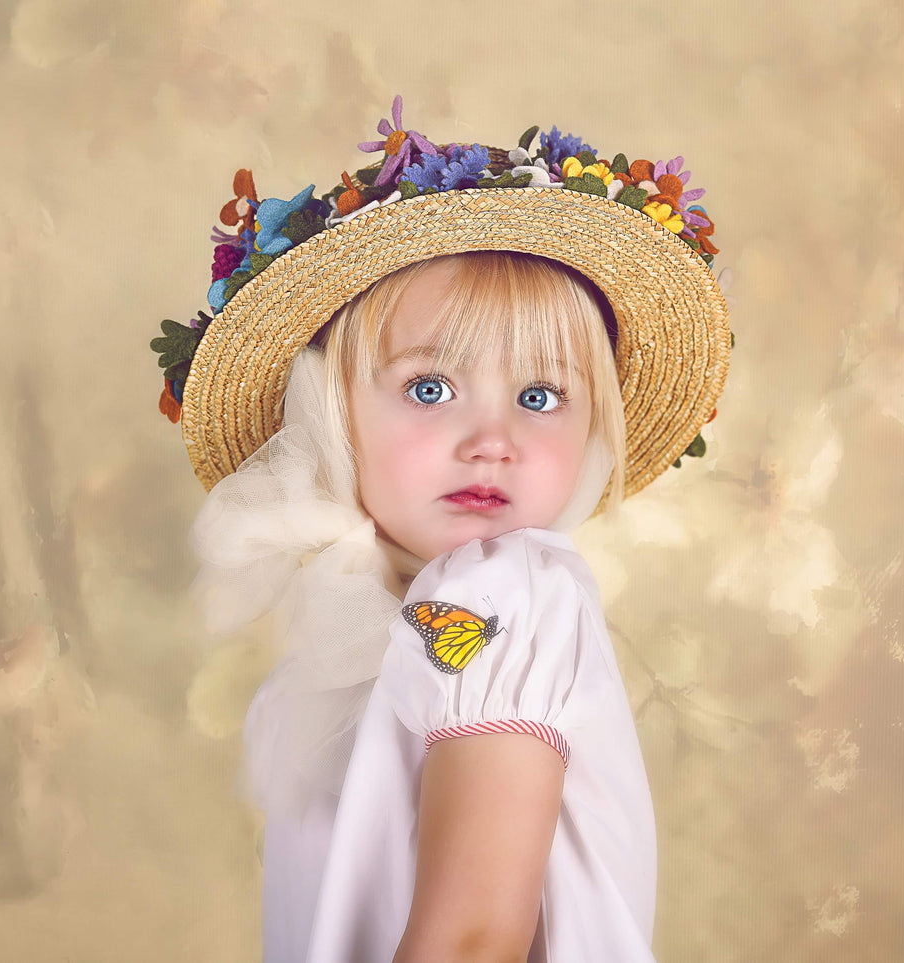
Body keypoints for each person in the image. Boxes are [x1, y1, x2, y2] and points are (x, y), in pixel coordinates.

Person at [149, 96, 730, 962]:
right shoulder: (351, 652)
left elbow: (472, 938)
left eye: (540, 397)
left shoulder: (502, 596)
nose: (493, 441)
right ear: (329, 411)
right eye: (430, 388)